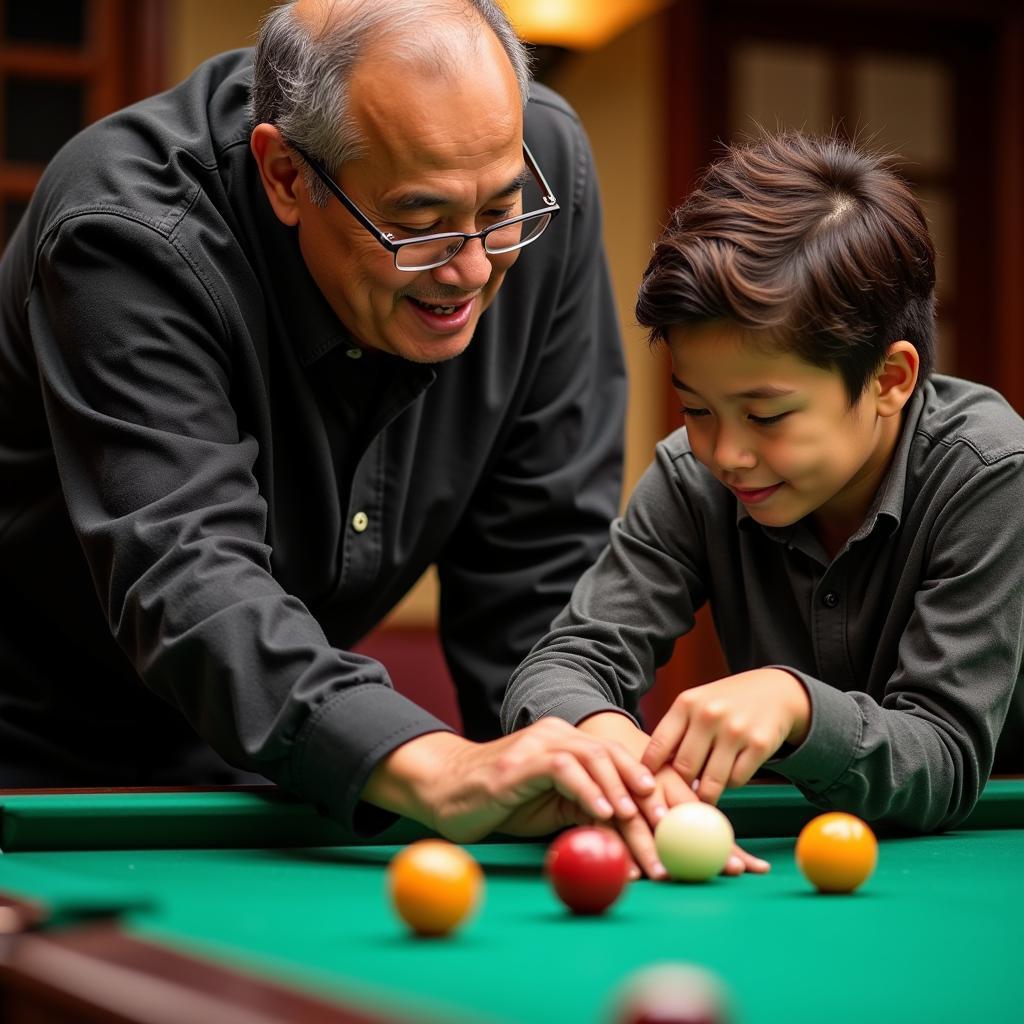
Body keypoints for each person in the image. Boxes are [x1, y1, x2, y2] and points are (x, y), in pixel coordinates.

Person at [0, 0, 665, 851]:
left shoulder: (546, 168)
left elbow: (536, 560)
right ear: (285, 175)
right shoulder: (126, 229)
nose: (471, 269)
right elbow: (190, 577)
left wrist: (584, 729)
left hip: (285, 763)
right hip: (40, 766)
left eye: (500, 211)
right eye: (420, 226)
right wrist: (440, 768)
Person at [503, 131, 1024, 833]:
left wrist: (795, 704)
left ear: (889, 380)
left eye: (767, 414)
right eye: (696, 408)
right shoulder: (693, 480)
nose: (728, 454)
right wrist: (608, 741)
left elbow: (943, 756)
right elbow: (563, 664)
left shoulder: (993, 476)